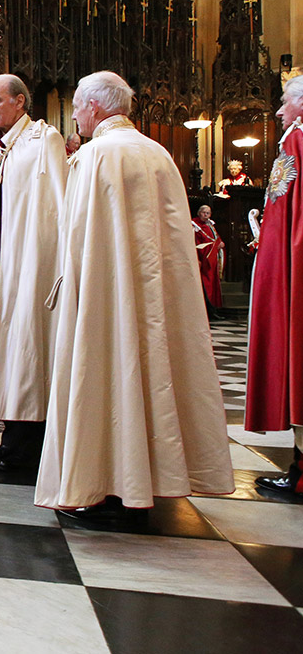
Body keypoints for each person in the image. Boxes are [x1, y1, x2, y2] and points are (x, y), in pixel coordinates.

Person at [35, 71, 234, 522]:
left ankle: (107, 485)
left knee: (106, 377)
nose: (77, 114)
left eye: (80, 105)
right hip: (159, 302)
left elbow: (77, 238)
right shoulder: (159, 153)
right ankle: (152, 479)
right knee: (155, 374)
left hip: (107, 300)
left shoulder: (95, 157)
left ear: (97, 107)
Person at [0, 74, 67, 471]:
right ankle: (12, 439)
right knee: (6, 352)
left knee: (27, 350)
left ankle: (29, 445)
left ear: (20, 102)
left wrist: (47, 265)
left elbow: (55, 204)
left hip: (30, 267)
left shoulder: (44, 141)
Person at [245, 74, 303, 498]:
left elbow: (286, 217)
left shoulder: (295, 140)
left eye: (285, 102)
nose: (279, 111)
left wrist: (274, 264)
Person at [192, 203, 225, 314]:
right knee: (206, 283)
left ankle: (214, 309)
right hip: (205, 259)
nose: (206, 215)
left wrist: (220, 243)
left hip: (213, 258)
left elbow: (216, 238)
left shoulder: (210, 225)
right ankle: (207, 311)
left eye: (208, 213)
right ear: (199, 213)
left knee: (214, 284)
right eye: (204, 213)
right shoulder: (195, 226)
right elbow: (197, 243)